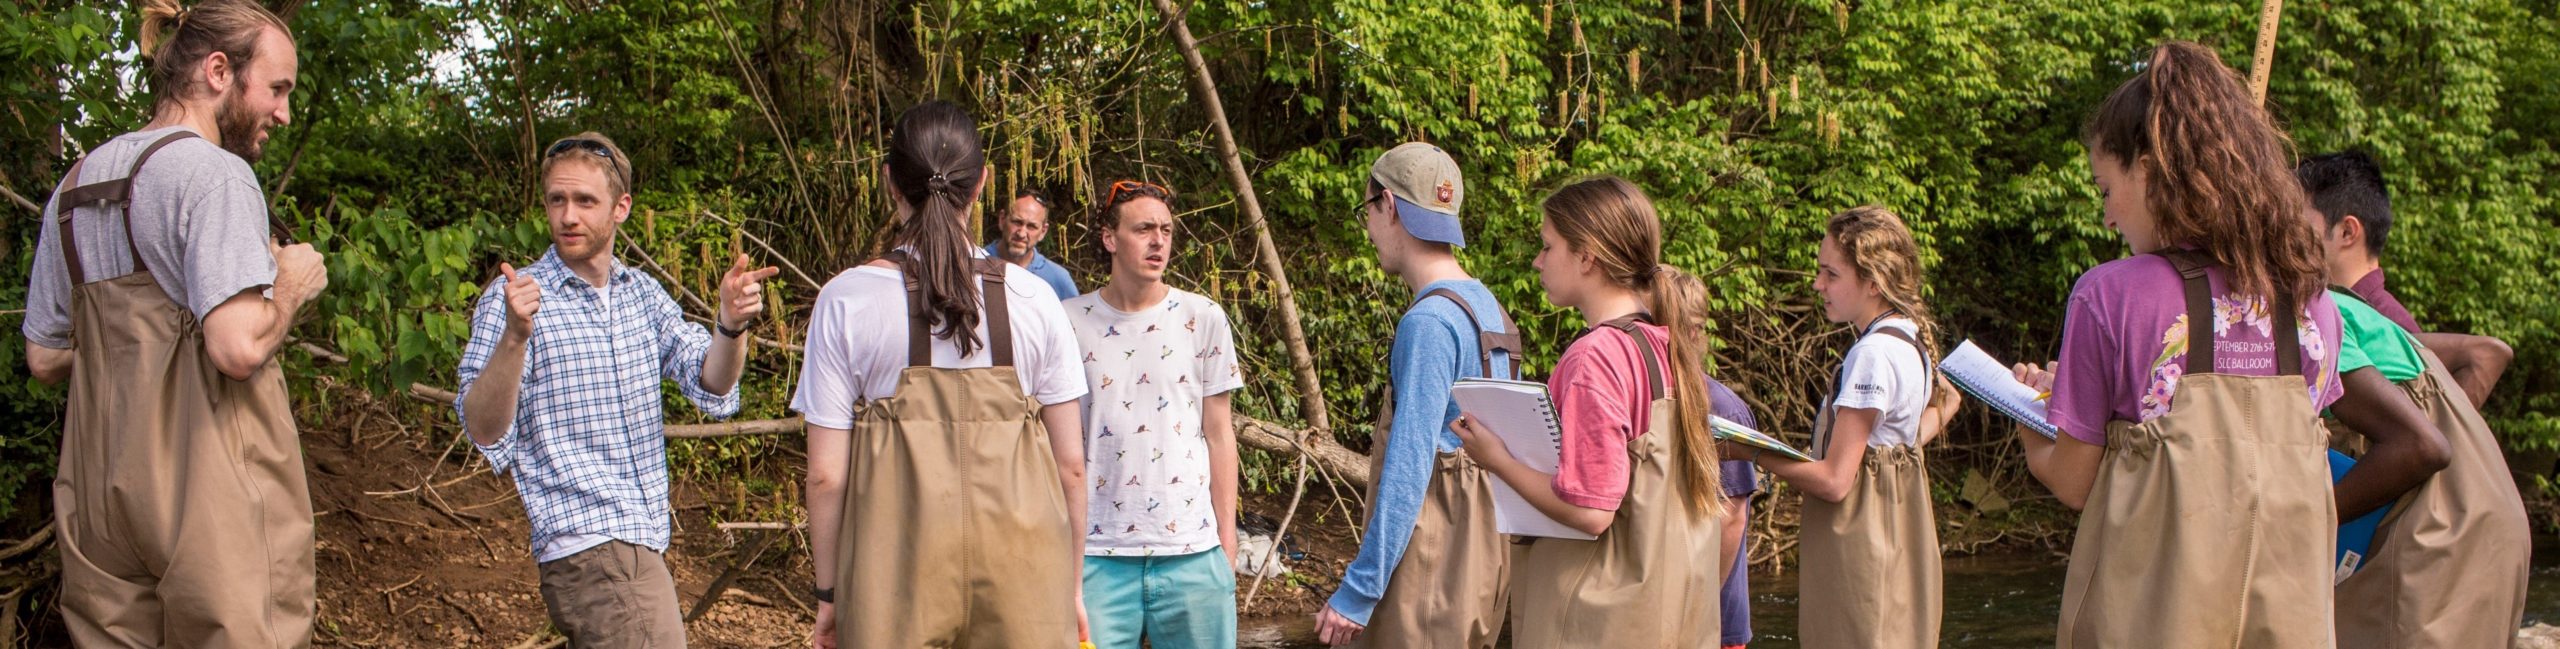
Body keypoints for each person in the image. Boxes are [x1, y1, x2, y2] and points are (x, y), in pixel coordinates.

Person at [2013, 40, 2344, 648]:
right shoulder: (2314, 304)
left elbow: (2074, 483)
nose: (2107, 216)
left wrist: (2030, 419)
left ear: (2148, 169)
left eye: (2105, 189)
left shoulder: (2108, 295)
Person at [21, 1, 325, 644]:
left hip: (99, 495)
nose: (283, 113)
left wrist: (134, 351)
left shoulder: (74, 186)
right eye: (277, 89)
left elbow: (44, 359)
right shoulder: (215, 175)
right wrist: (291, 287)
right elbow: (237, 349)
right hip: (209, 489)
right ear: (218, 71)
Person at [455, 130, 774, 646]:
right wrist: (515, 337)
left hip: (640, 538)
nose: (568, 216)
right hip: (588, 543)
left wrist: (731, 324)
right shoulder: (514, 299)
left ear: (621, 207)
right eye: (557, 200)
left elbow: (712, 382)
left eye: (585, 201)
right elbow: (483, 428)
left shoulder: (640, 293)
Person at [794, 101, 1090, 649]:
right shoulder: (1036, 299)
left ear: (889, 181)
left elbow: (826, 477)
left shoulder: (845, 299)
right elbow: (1071, 466)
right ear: (981, 185)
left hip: (892, 580)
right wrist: (1070, 590)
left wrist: (830, 595)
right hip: (1025, 578)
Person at [1452, 176, 1720, 647]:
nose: (1537, 261)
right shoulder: (1666, 345)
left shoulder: (1596, 357)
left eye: (1547, 246)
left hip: (1595, 623)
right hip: (1668, 616)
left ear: (1587, 257)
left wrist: (1496, 460)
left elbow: (1592, 510)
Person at [2301, 159, 2532, 649]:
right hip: (2489, 525)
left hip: (2440, 535)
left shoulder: (2326, 312)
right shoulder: (2369, 315)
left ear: (2346, 231)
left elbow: (2423, 445)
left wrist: (2309, 519)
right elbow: (2486, 353)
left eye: (2295, 222)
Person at [1314, 143, 1521, 649]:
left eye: (1367, 211)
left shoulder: (1428, 322)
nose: (1368, 229)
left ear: (1387, 205)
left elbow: (1410, 464)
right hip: (1484, 560)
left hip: (1432, 566)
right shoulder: (1488, 308)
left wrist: (1360, 589)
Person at [1744, 206, 1958, 648]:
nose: (1817, 284)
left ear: (1873, 282)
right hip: (1900, 535)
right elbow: (1946, 402)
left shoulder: (1872, 354)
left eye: (1831, 274)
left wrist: (1750, 451)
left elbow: (1835, 481)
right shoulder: (1910, 339)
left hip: (1862, 543)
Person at [1063, 180, 1243, 648]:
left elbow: (1220, 435)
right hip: (1094, 556)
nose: (1158, 241)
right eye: (1143, 229)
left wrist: (1227, 544)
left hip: (1193, 553)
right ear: (1109, 238)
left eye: (1165, 230)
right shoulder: (1067, 321)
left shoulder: (1203, 317)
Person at [2295, 152, 2513, 409]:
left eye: (2298, 222)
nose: (2287, 233)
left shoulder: (2388, 325)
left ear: (2347, 231)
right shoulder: (2347, 310)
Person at [990, 188, 1082, 298]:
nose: (1022, 234)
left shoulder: (1057, 279)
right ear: (1002, 220)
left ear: (1043, 231)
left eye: (1031, 226)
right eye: (1017, 222)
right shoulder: (976, 263)